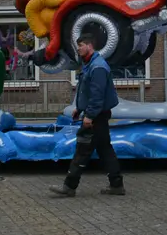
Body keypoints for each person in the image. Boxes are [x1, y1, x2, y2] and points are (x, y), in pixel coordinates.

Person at [50, 34, 125, 197]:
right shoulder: (91, 64)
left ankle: (69, 187)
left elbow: (97, 96)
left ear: (90, 46)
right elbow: (87, 90)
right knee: (105, 149)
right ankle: (117, 185)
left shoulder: (97, 67)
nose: (79, 48)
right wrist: (80, 108)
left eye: (81, 45)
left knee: (82, 150)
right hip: (99, 115)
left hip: (96, 117)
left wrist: (89, 116)